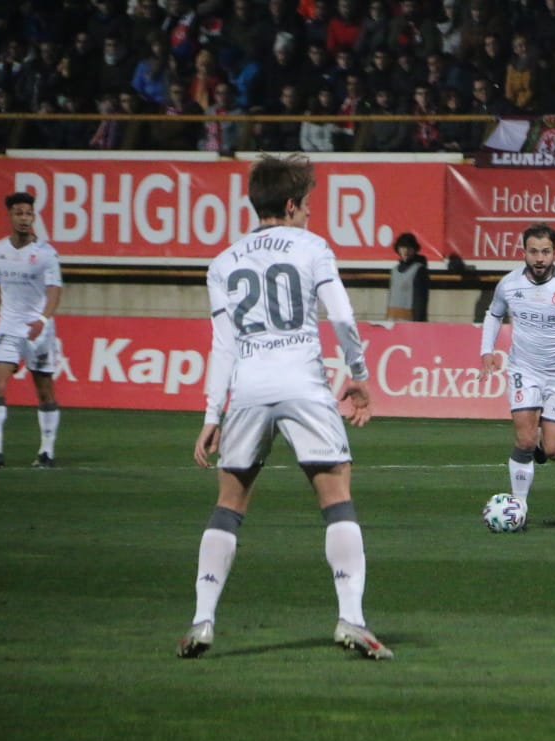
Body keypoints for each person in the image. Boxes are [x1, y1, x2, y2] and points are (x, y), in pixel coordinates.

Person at [178, 153, 391, 661]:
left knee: (229, 503)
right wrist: (357, 373)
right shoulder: (313, 247)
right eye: (309, 205)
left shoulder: (224, 261)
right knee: (335, 493)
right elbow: (340, 316)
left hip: (248, 386)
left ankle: (203, 620)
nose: (312, 214)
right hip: (302, 383)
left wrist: (212, 415)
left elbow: (222, 344)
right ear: (292, 204)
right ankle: (351, 619)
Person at [478, 224, 555, 519]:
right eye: (533, 251)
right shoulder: (508, 284)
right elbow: (493, 315)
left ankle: (536, 451)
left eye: (545, 252)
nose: (539, 258)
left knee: (554, 450)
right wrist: (487, 351)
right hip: (524, 369)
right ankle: (518, 508)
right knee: (524, 439)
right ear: (523, 252)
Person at [0, 192, 64, 470]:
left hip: (38, 330)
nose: (24, 218)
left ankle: (46, 451)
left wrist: (43, 321)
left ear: (34, 217)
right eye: (19, 213)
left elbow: (54, 292)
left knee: (44, 390)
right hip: (8, 327)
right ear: (9, 216)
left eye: (28, 213)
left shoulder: (46, 253)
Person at [387, 232, 430, 321]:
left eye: (409, 248)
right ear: (398, 249)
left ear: (414, 250)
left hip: (410, 324)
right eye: (402, 247)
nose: (405, 251)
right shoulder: (394, 271)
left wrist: (419, 325)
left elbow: (420, 301)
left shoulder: (419, 270)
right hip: (392, 322)